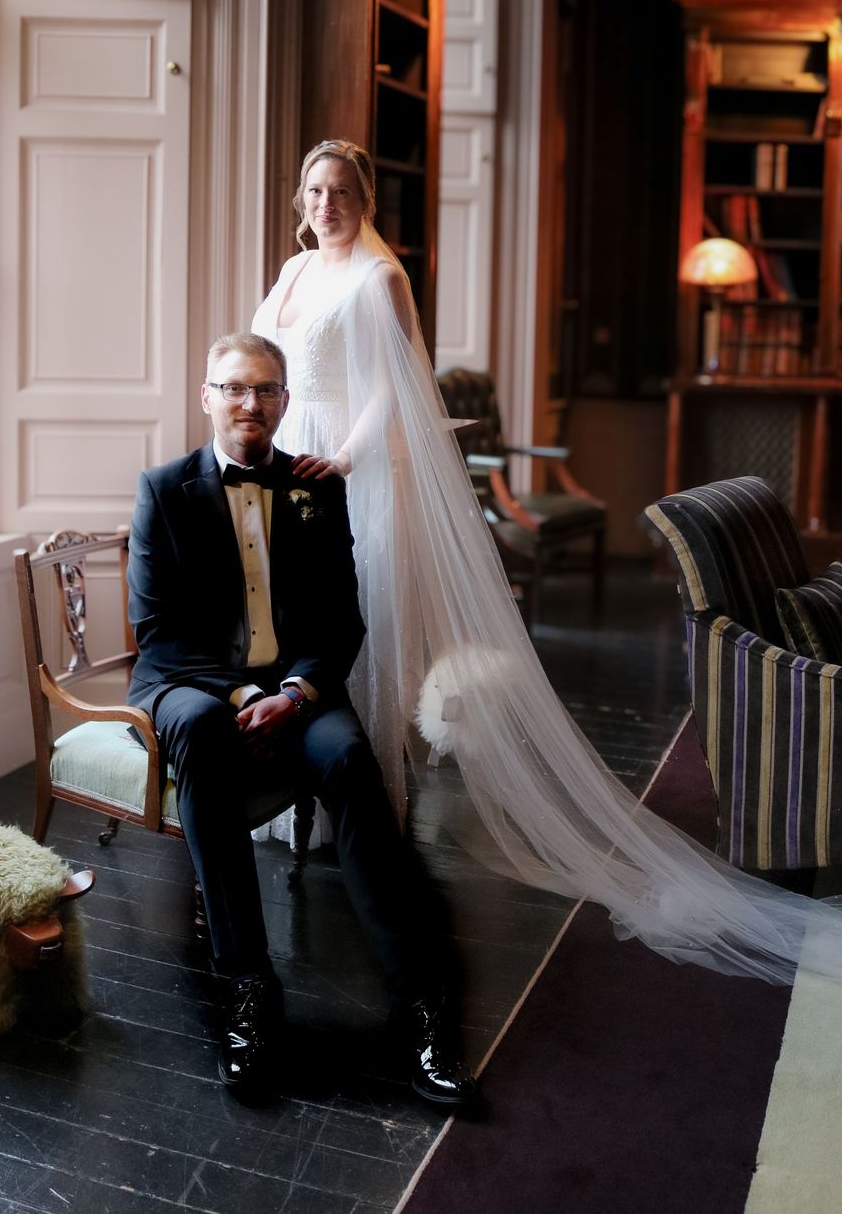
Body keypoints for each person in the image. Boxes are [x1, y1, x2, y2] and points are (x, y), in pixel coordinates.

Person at [252, 137, 842, 987]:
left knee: (360, 634)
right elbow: (264, 364)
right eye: (313, 189)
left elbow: (396, 385)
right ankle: (288, 803)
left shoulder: (381, 278)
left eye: (340, 189)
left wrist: (345, 455)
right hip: (285, 462)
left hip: (350, 467)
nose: (325, 203)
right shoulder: (293, 269)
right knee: (291, 627)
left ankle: (364, 806)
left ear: (366, 198)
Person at [125, 330, 475, 1103]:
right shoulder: (163, 489)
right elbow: (158, 630)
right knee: (202, 731)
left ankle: (417, 1000)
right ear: (208, 397)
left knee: (351, 761)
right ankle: (248, 984)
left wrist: (296, 695)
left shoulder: (319, 488)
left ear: (285, 402)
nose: (251, 404)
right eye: (236, 389)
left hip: (299, 685)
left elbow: (342, 621)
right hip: (192, 682)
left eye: (267, 391)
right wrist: (247, 697)